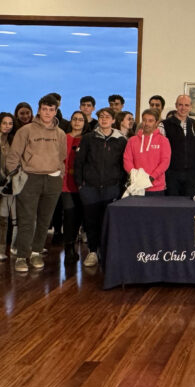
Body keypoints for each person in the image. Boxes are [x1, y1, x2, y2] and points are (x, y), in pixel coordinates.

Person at [4, 94, 67, 272]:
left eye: (51, 110)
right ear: (39, 110)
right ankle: (22, 256)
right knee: (26, 219)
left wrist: (59, 174)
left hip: (52, 179)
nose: (47, 113)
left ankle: (36, 252)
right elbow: (13, 157)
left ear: (56, 111)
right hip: (30, 178)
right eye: (44, 109)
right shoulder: (26, 130)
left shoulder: (60, 133)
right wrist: (16, 176)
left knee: (45, 220)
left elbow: (62, 157)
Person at [74, 107, 127, 267]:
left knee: (107, 221)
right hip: (90, 187)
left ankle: (105, 252)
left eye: (107, 117)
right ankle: (92, 251)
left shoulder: (121, 140)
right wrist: (81, 185)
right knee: (91, 221)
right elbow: (79, 162)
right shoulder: (88, 138)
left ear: (113, 120)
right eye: (101, 116)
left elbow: (123, 164)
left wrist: (120, 186)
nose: (104, 119)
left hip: (112, 187)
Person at [123, 109, 171, 196]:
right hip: (136, 187)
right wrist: (135, 177)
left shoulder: (163, 141)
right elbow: (127, 160)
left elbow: (165, 162)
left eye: (150, 121)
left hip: (156, 188)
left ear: (156, 123)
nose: (147, 123)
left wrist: (151, 178)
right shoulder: (132, 140)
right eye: (144, 120)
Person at [59, 110, 86, 264]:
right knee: (69, 215)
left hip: (81, 183)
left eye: (80, 119)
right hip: (65, 182)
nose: (77, 122)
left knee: (78, 216)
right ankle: (68, 247)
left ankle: (74, 244)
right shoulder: (63, 137)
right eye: (74, 119)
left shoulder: (87, 139)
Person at [162, 94, 195, 197]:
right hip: (172, 173)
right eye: (180, 105)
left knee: (189, 203)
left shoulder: (193, 123)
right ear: (176, 106)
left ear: (191, 107)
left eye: (186, 105)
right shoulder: (164, 124)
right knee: (172, 203)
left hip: (190, 174)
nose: (183, 108)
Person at [0, 111, 15, 260]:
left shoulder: (13, 141)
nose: (7, 126)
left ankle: (0, 249)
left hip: (8, 185)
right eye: (4, 123)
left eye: (10, 123)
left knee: (3, 218)